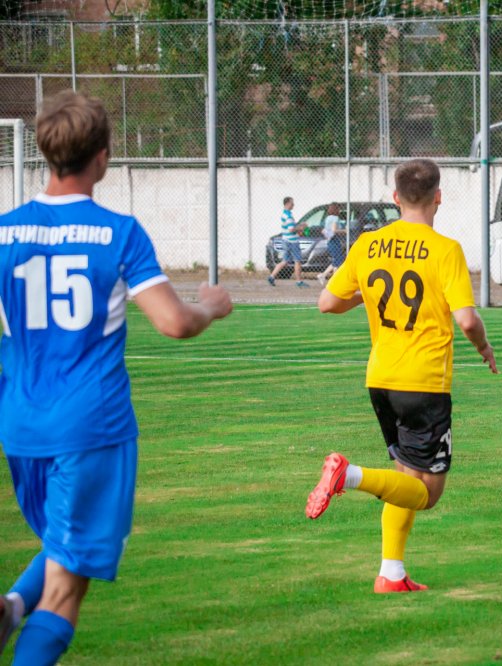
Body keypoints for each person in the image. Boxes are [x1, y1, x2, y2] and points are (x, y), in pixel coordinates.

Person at [0, 90, 232, 665]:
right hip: (91, 425)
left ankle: (10, 608)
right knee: (66, 589)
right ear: (103, 156)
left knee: (67, 540)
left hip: (22, 426)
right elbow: (174, 322)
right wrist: (211, 305)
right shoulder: (117, 232)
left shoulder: (4, 233)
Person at [305, 158, 497, 594]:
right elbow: (467, 319)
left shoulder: (368, 244)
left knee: (405, 478)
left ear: (395, 198)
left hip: (380, 379)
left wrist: (367, 296)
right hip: (423, 381)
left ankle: (391, 573)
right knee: (427, 494)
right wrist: (483, 346)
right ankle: (348, 475)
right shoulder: (445, 249)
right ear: (438, 196)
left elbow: (327, 302)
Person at [267, 196, 307, 288]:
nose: (293, 205)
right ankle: (299, 281)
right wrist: (301, 227)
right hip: (292, 241)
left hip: (286, 240)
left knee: (284, 261)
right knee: (297, 261)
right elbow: (291, 229)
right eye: (292, 203)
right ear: (288, 203)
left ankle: (271, 277)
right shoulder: (288, 216)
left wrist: (299, 226)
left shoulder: (285, 214)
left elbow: (291, 227)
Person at [316, 204, 345, 285]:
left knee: (337, 260)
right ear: (336, 210)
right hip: (334, 240)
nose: (340, 211)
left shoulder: (328, 218)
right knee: (338, 260)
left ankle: (324, 275)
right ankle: (334, 280)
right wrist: (345, 231)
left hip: (330, 241)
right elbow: (334, 230)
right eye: (339, 209)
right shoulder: (335, 218)